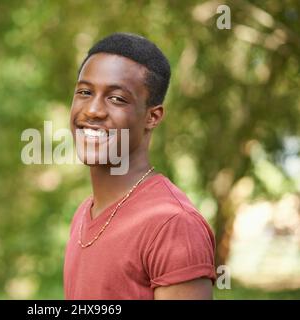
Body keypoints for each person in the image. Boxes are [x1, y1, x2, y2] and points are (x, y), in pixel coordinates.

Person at [64, 33, 216, 299]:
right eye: (85, 93)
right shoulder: (83, 213)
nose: (93, 110)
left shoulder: (173, 225)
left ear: (152, 116)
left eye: (117, 99)